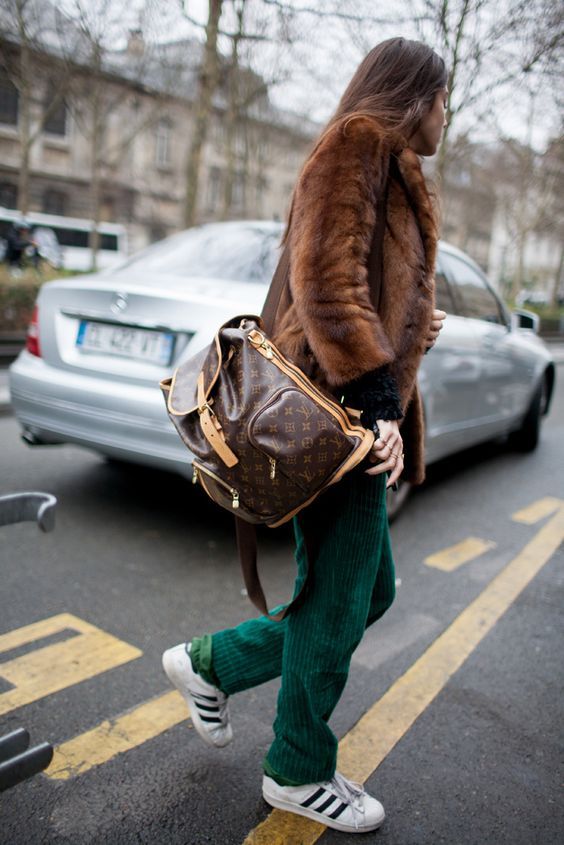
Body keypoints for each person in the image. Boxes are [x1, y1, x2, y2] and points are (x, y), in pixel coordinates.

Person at [163, 37, 448, 835]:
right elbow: (326, 281)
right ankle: (297, 768)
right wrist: (381, 404)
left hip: (352, 411)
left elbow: (365, 283)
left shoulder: (390, 163)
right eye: (442, 99)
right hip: (337, 421)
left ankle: (213, 663)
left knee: (366, 592)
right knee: (340, 597)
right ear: (415, 94)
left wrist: (417, 322)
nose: (446, 116)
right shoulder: (358, 142)